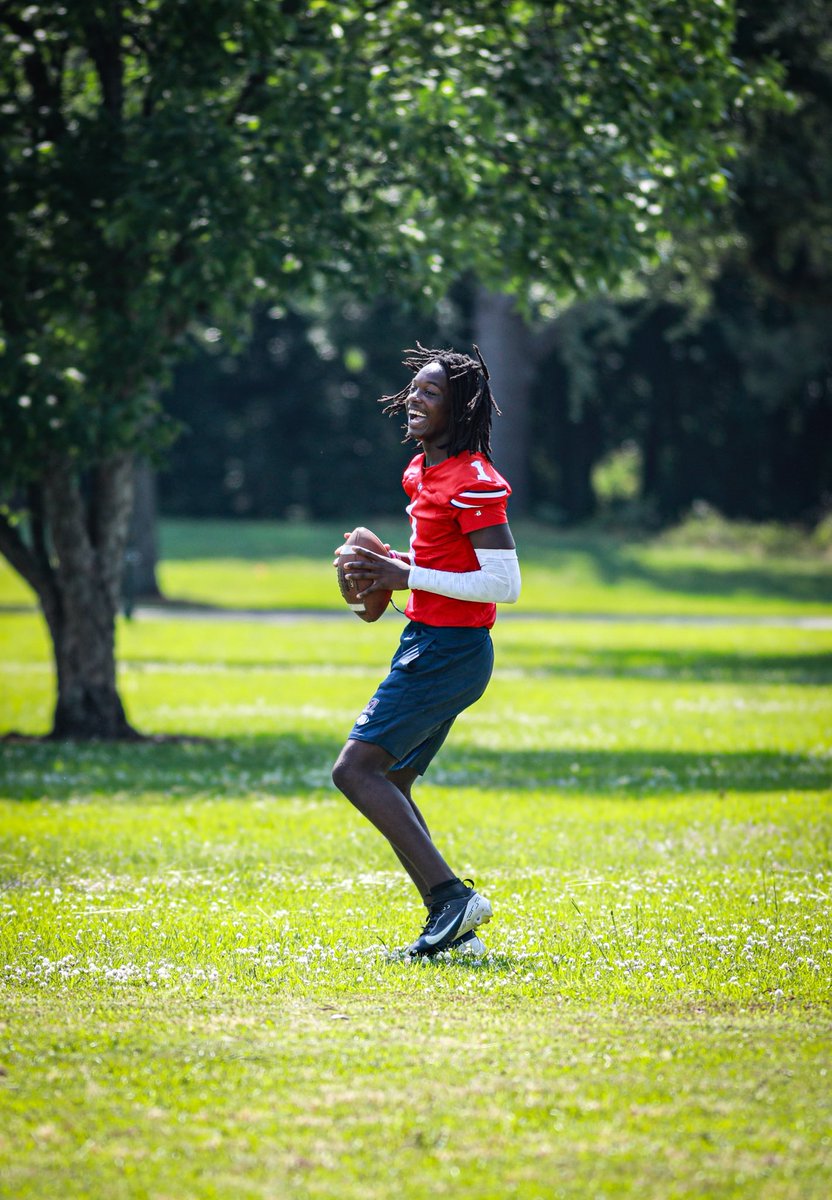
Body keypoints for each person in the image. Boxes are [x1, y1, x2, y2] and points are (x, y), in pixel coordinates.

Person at [331, 343, 521, 958]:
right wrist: (394, 567)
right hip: (429, 641)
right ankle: (450, 921)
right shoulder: (422, 471)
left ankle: (450, 899)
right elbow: (441, 567)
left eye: (430, 391)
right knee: (394, 778)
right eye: (413, 388)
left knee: (355, 771)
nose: (415, 398)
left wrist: (400, 575)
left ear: (460, 407)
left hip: (452, 650)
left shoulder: (473, 481)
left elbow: (504, 585)